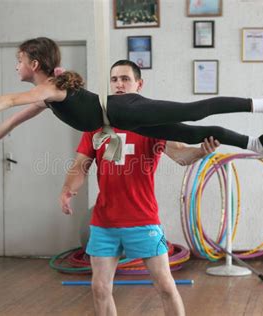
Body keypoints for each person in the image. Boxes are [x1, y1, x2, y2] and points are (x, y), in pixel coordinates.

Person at [0, 37, 263, 158]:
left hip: (123, 108)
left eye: (18, 62)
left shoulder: (49, 88)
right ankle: (258, 144)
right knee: (192, 132)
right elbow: (15, 117)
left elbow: (11, 101)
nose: (16, 67)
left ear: (33, 64)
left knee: (194, 111)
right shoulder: (48, 95)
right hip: (120, 120)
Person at [60, 60, 220, 316]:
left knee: (166, 286)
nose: (119, 84)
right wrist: (68, 189)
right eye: (114, 80)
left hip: (142, 219)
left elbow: (181, 156)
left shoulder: (153, 124)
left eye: (125, 79)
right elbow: (80, 165)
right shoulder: (96, 124)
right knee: (100, 288)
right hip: (104, 221)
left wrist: (202, 150)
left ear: (139, 84)